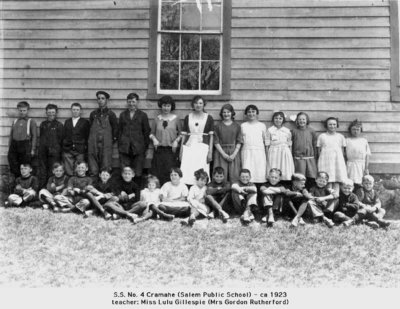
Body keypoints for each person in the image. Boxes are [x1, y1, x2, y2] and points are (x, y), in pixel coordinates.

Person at [180, 95, 214, 185]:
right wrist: (181, 150)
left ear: (203, 105)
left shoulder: (209, 117)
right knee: (188, 168)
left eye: (200, 103)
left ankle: (201, 190)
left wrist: (210, 152)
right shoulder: (188, 117)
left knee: (201, 167)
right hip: (189, 146)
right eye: (196, 103)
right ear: (193, 105)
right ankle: (188, 190)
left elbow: (211, 136)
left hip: (203, 146)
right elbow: (184, 135)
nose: (198, 105)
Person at [118, 93, 151, 186]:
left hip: (138, 148)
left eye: (133, 101)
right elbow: (119, 131)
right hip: (125, 148)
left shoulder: (142, 115)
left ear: (137, 102)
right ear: (127, 102)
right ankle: (125, 191)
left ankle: (136, 191)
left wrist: (145, 147)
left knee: (138, 171)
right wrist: (121, 144)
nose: (131, 104)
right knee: (126, 171)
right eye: (129, 102)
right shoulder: (123, 115)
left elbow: (146, 131)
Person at [150, 95, 181, 185]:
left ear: (171, 106)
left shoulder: (176, 119)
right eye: (164, 105)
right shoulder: (157, 119)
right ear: (161, 106)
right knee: (158, 172)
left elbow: (181, 133)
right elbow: (151, 133)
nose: (166, 108)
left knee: (170, 172)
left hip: (171, 150)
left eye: (168, 106)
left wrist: (176, 141)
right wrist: (154, 139)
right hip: (159, 150)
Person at [88, 91, 118, 176]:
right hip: (93, 143)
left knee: (105, 164)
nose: (100, 100)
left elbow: (115, 129)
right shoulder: (93, 114)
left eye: (103, 98)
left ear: (106, 100)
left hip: (106, 144)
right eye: (99, 98)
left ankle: (105, 185)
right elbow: (90, 128)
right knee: (93, 165)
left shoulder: (111, 114)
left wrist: (110, 141)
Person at [213, 104, 242, 183]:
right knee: (221, 174)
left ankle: (234, 193)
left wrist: (234, 154)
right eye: (224, 112)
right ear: (221, 114)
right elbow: (216, 141)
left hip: (233, 152)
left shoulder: (237, 126)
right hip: (220, 152)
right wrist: (224, 154)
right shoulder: (217, 126)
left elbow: (239, 141)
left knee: (234, 174)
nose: (226, 114)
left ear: (232, 113)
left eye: (228, 112)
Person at [8, 101, 37, 178]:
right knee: (13, 165)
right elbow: (11, 135)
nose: (22, 112)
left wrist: (33, 149)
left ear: (27, 110)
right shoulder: (15, 121)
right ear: (18, 110)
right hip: (14, 145)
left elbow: (34, 136)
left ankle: (25, 183)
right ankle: (16, 183)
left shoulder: (31, 121)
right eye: (20, 110)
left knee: (25, 166)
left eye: (24, 110)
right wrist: (10, 147)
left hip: (25, 146)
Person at [317, 117, 347, 192]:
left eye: (334, 124)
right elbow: (318, 151)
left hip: (337, 161)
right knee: (327, 180)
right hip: (325, 161)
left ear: (337, 125)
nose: (332, 126)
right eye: (330, 124)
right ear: (326, 125)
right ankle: (327, 199)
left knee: (337, 180)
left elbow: (343, 152)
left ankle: (336, 200)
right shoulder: (322, 136)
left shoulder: (340, 136)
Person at [38, 104, 64, 188]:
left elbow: (61, 139)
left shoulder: (59, 125)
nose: (51, 114)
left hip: (54, 152)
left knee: (52, 170)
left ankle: (50, 188)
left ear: (56, 113)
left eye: (53, 112)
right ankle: (42, 188)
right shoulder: (43, 124)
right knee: (42, 170)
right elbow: (41, 137)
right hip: (43, 151)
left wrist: (56, 150)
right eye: (49, 112)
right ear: (46, 113)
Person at [241, 105, 268, 184]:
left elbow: (265, 141)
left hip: (259, 151)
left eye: (253, 111)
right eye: (249, 112)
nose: (251, 114)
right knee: (247, 169)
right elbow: (241, 140)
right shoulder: (243, 126)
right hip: (247, 151)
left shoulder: (262, 125)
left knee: (259, 171)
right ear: (246, 114)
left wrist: (266, 153)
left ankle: (259, 190)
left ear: (257, 113)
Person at [62, 102, 90, 177]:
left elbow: (87, 136)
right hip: (68, 148)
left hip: (80, 148)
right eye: (74, 109)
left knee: (79, 167)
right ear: (71, 110)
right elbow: (64, 135)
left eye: (77, 110)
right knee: (68, 167)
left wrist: (85, 147)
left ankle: (78, 182)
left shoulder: (85, 122)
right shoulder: (67, 122)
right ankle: (70, 181)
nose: (75, 111)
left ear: (80, 111)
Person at [291, 112, 318, 187]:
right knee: (300, 178)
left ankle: (310, 194)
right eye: (299, 119)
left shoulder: (311, 131)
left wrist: (315, 157)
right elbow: (292, 146)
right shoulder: (293, 131)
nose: (301, 121)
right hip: (298, 159)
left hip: (310, 158)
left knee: (311, 178)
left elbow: (314, 144)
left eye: (303, 119)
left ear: (307, 120)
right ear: (297, 120)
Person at [266, 111, 294, 182]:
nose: (278, 120)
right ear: (273, 119)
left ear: (283, 120)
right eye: (276, 118)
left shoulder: (287, 131)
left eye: (280, 118)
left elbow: (289, 144)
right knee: (274, 166)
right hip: (274, 151)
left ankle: (285, 183)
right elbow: (267, 144)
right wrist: (267, 155)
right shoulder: (270, 130)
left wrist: (289, 155)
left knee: (284, 167)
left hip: (284, 152)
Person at [346, 119, 371, 191]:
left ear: (360, 130)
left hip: (361, 164)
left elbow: (367, 155)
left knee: (360, 182)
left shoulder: (364, 141)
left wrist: (366, 168)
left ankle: (359, 198)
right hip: (350, 164)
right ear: (350, 130)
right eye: (353, 129)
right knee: (350, 181)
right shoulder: (347, 140)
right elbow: (344, 155)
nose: (355, 131)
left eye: (357, 129)